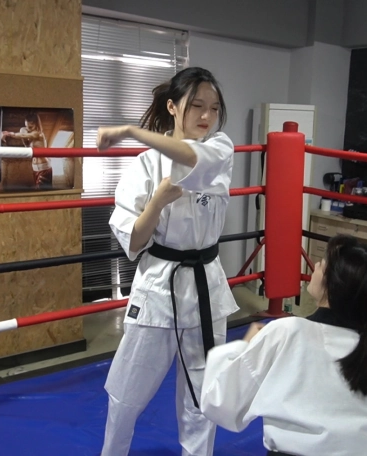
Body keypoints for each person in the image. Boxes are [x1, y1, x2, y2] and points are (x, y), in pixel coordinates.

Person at [98, 67, 236, 456]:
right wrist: (156, 203)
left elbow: (191, 156)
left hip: (206, 287)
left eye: (213, 108)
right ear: (173, 107)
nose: (206, 116)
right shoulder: (144, 165)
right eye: (196, 106)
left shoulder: (220, 148)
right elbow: (134, 240)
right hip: (159, 287)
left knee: (202, 396)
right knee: (127, 391)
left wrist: (129, 130)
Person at [200, 235, 367, 456]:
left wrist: (244, 347)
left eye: (322, 264)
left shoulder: (287, 332)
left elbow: (221, 403)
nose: (316, 266)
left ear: (331, 285)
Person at [2, 112, 52, 189]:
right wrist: (23, 137)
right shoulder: (29, 134)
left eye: (31, 127)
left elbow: (23, 135)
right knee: (38, 191)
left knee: (42, 192)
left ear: (36, 125)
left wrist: (8, 134)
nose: (28, 129)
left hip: (44, 168)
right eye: (26, 126)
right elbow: (26, 145)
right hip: (35, 168)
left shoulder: (38, 134)